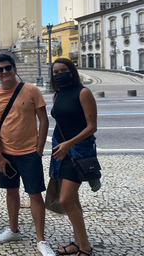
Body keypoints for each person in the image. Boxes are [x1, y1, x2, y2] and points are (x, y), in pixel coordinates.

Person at [0, 54, 55, 256]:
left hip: (29, 152)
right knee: (11, 192)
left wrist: (39, 149)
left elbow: (44, 119)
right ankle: (13, 230)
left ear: (15, 69)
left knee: (34, 194)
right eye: (0, 69)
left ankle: (41, 239)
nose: (4, 72)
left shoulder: (30, 89)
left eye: (8, 68)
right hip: (6, 153)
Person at [50, 58, 98, 256]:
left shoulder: (83, 93)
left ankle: (85, 247)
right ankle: (78, 242)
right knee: (73, 200)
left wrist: (69, 143)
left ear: (72, 71)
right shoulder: (57, 95)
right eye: (55, 72)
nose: (59, 74)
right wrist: (59, 146)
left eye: (63, 70)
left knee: (66, 199)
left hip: (78, 151)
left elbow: (92, 127)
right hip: (60, 151)